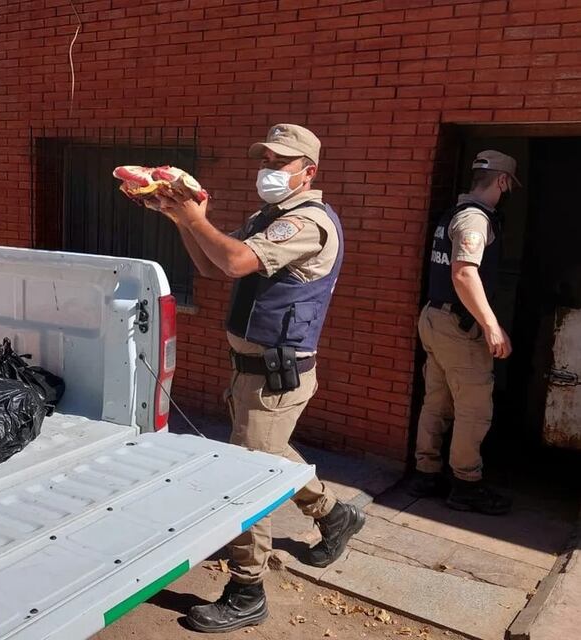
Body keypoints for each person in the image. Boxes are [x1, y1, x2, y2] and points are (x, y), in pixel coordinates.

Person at [157, 124, 365, 633]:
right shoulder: (266, 218)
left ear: (308, 172)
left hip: (274, 378)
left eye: (280, 162)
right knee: (271, 457)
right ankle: (334, 513)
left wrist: (194, 217)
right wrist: (184, 220)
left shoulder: (306, 222)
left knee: (247, 480)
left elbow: (233, 261)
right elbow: (213, 267)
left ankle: (247, 590)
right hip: (252, 373)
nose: (268, 170)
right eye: (265, 160)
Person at [409, 150, 519, 515]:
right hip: (458, 327)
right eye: (508, 185)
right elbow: (464, 272)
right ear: (502, 180)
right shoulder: (475, 218)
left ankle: (426, 474)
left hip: (436, 318)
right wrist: (491, 325)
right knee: (474, 408)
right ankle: (466, 484)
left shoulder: (454, 212)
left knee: (437, 401)